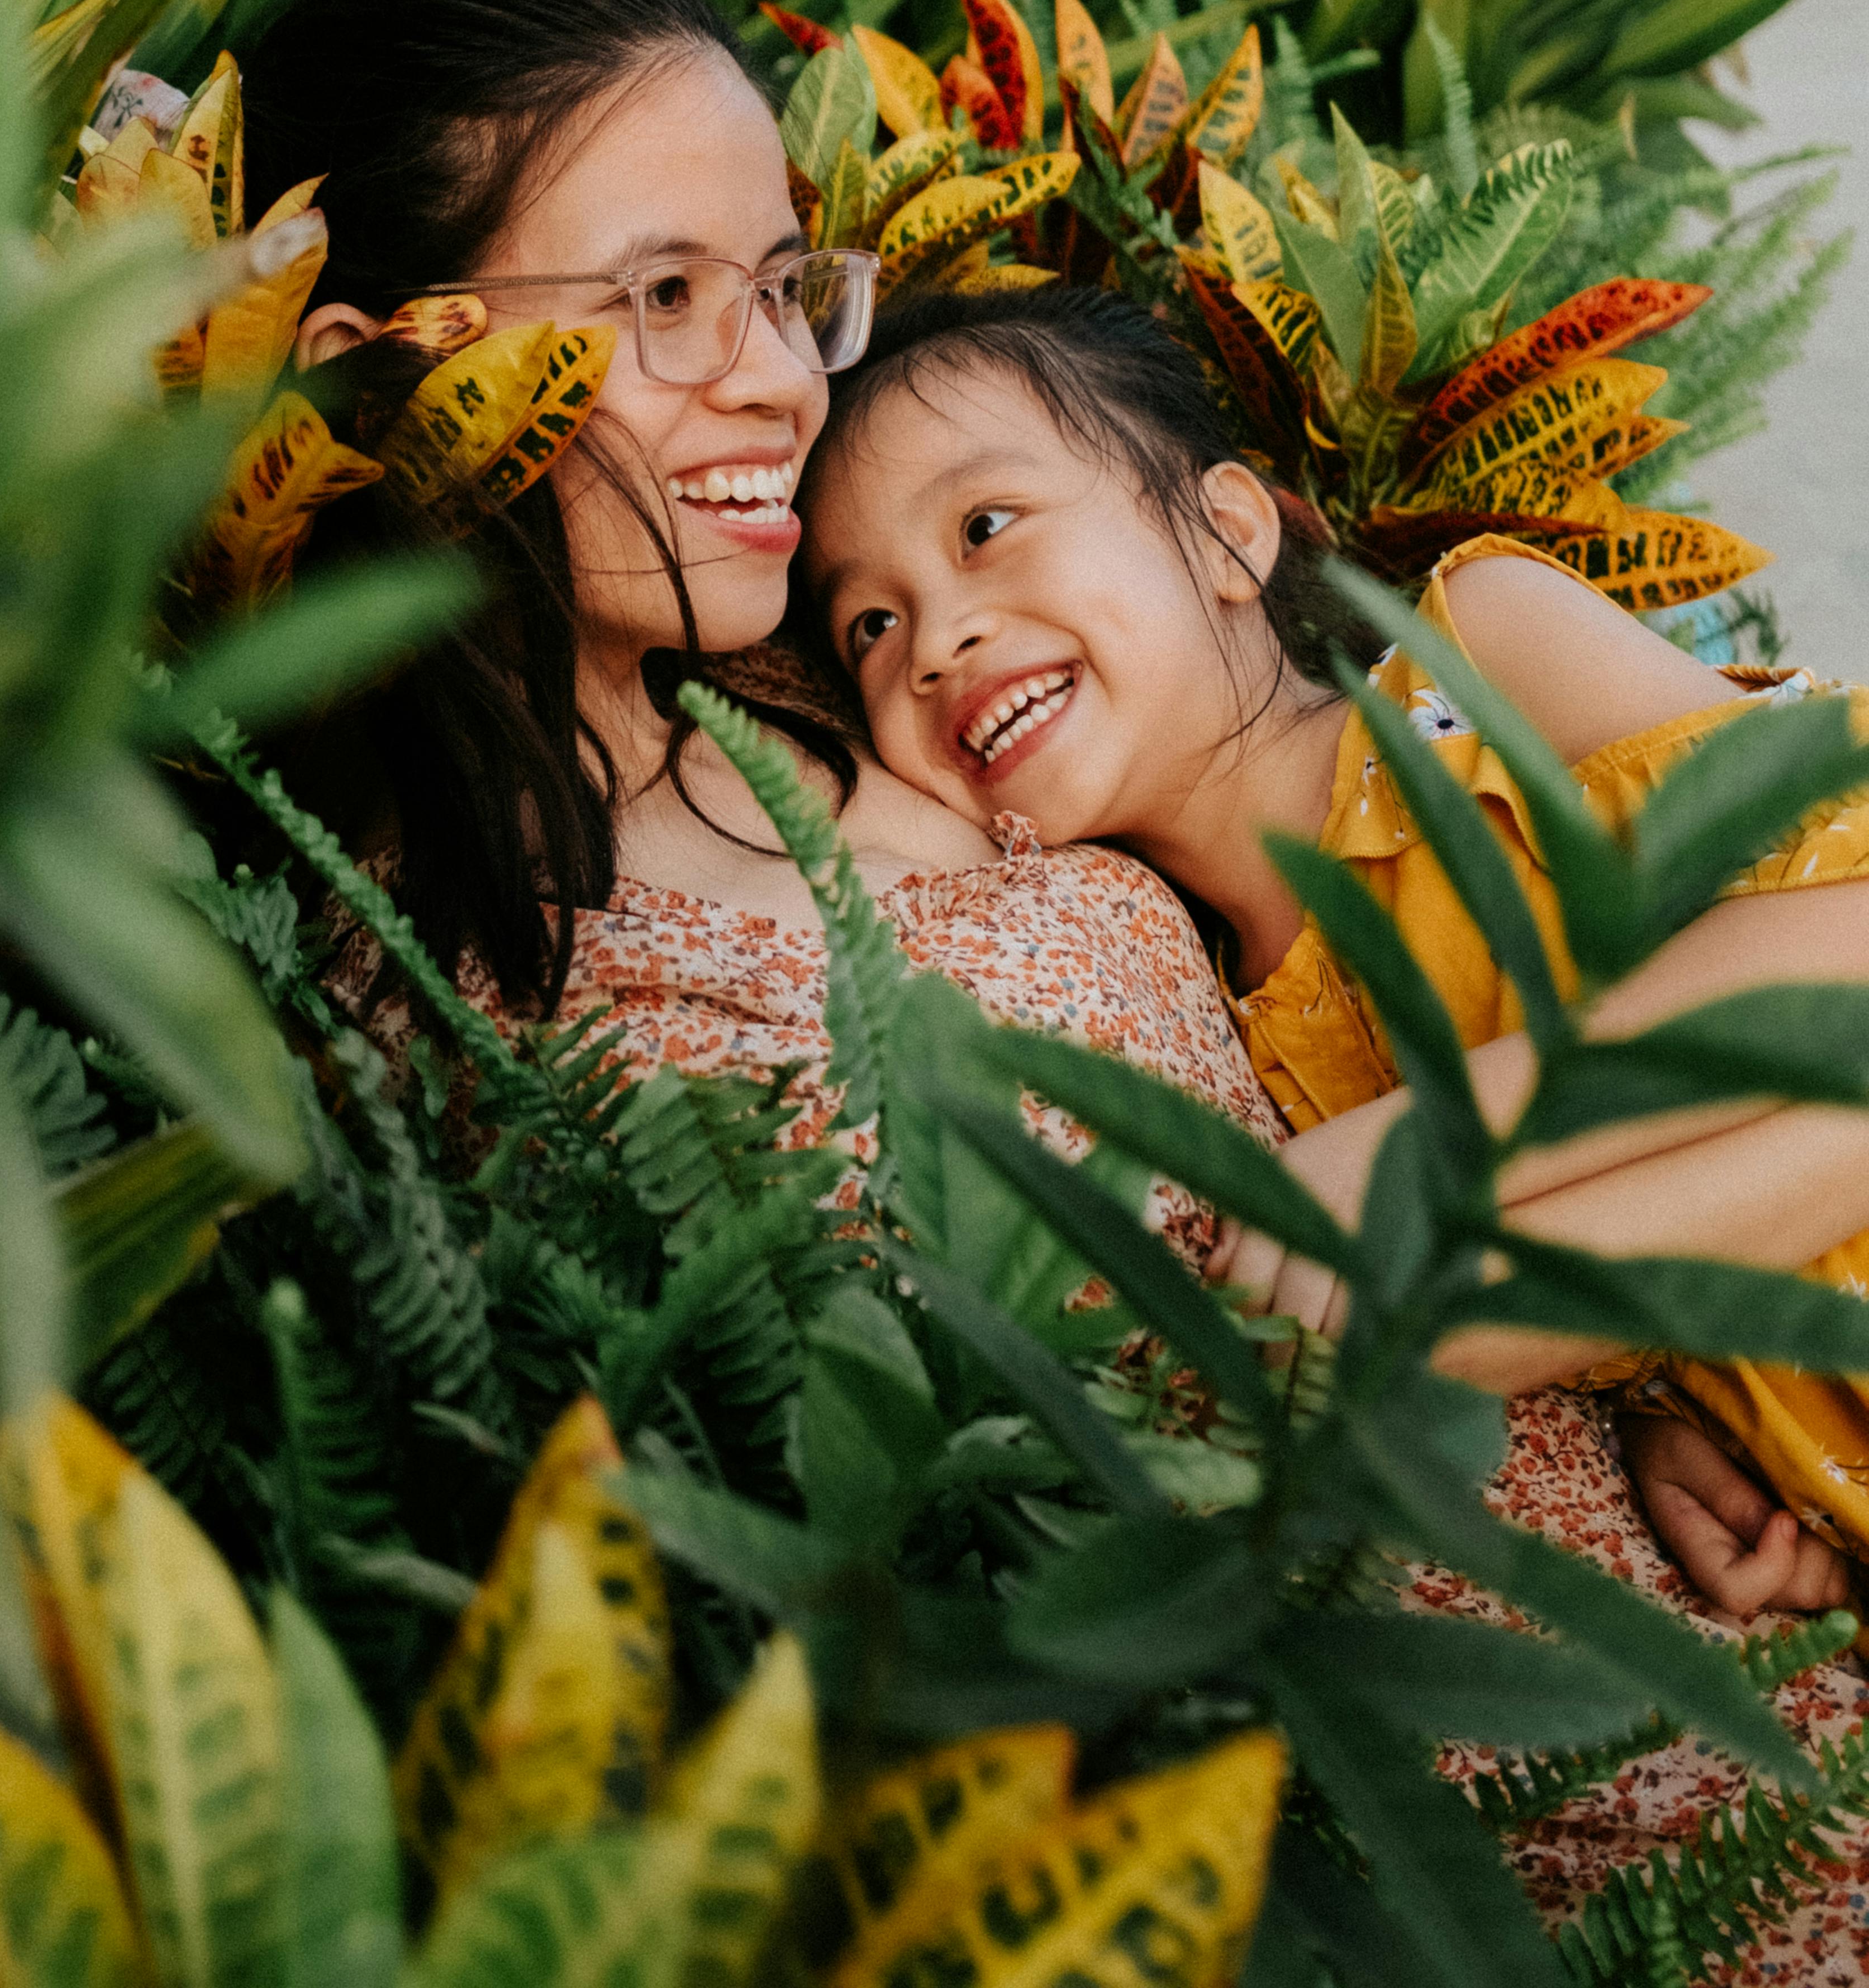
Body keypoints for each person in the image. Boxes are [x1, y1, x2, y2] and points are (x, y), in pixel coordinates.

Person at [257, 0, 1869, 1972]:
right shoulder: (452, 993)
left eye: (776, 288)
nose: (772, 371)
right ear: (376, 367)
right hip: (1493, 1880)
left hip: (1756, 1651)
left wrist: (1665, 1380)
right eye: (666, 297)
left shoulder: (895, 706)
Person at [795, 281, 1869, 1628]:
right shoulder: (1234, 1051)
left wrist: (1439, 1141)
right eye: (867, 628)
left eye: (985, 526)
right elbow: (1449, 1338)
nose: (935, 640)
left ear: (1227, 534)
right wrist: (1664, 1391)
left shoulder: (1475, 664)